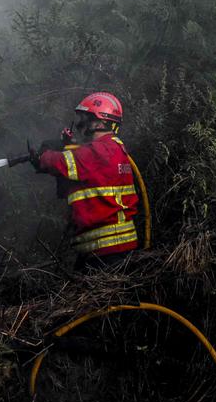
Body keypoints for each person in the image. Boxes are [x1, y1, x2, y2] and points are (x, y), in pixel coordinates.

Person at [31, 91, 140, 269]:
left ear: (100, 121)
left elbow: (61, 163)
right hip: (106, 248)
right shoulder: (112, 148)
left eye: (85, 117)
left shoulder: (100, 151)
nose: (81, 123)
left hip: (108, 249)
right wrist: (67, 144)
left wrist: (43, 155)